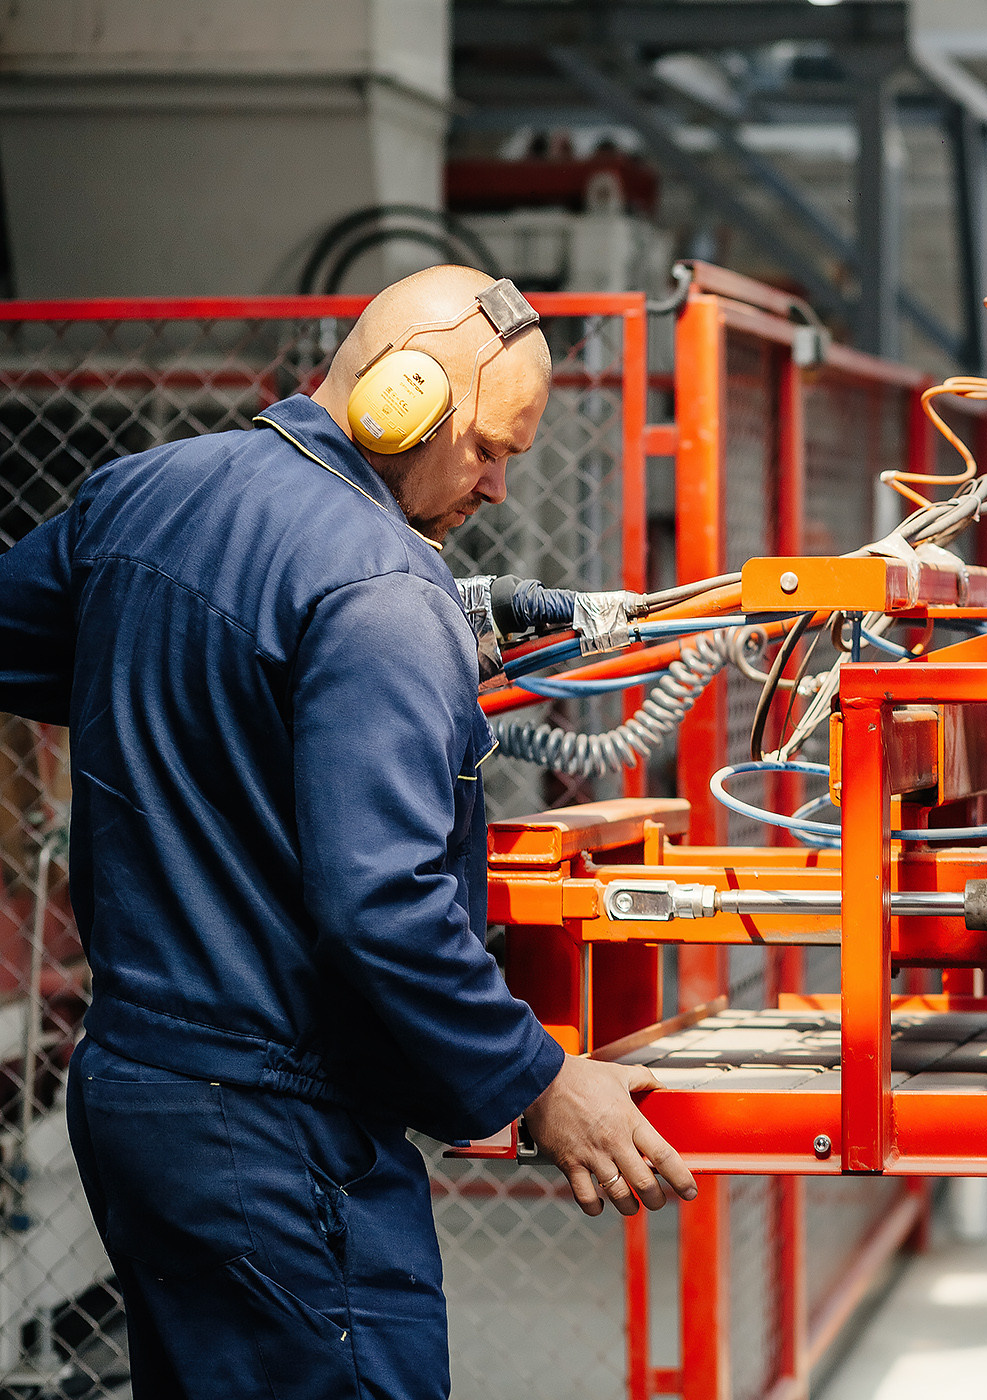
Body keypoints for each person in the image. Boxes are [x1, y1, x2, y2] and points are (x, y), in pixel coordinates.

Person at [0, 265, 696, 1399]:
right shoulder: (382, 594)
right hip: (278, 1142)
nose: (500, 488)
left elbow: (36, 645)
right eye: (486, 447)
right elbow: (384, 907)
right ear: (400, 396)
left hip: (134, 1098)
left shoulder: (141, 493)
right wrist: (538, 1076)